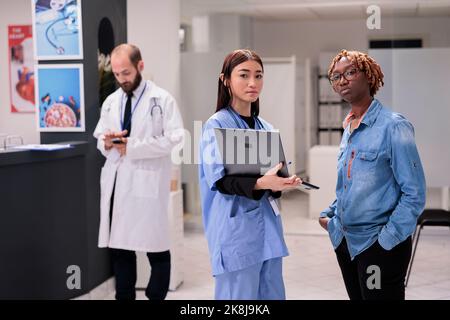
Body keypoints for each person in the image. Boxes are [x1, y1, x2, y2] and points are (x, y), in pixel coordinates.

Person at [318, 49, 426, 300]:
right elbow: (351, 184)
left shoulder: (394, 126)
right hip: (346, 242)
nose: (342, 80)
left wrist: (385, 242)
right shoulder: (349, 126)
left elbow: (415, 194)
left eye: (350, 72)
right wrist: (331, 216)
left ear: (369, 76)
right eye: (335, 76)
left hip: (377, 246)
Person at [198, 49, 301, 300]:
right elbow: (220, 180)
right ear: (226, 80)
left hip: (269, 232)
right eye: (243, 75)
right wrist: (261, 182)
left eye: (258, 75)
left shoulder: (265, 126)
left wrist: (282, 182)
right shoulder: (217, 124)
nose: (253, 83)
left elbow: (272, 176)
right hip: (237, 234)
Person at [93, 43, 184, 300]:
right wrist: (108, 142)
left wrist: (133, 147)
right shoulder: (111, 101)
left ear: (140, 66)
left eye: (126, 73)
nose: (122, 79)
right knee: (121, 249)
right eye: (118, 74)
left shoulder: (162, 99)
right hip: (119, 184)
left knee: (156, 248)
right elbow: (101, 139)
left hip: (147, 184)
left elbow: (176, 138)